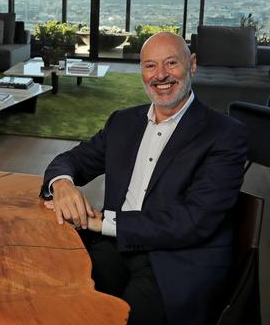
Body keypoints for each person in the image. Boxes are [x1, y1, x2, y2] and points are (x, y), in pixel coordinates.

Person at [41, 32, 247, 325]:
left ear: (192, 65)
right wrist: (62, 184)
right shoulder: (123, 122)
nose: (160, 75)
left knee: (125, 320)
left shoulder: (225, 134)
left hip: (177, 261)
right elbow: (70, 160)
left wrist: (102, 220)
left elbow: (193, 221)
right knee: (61, 302)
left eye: (171, 63)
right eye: (150, 66)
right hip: (115, 246)